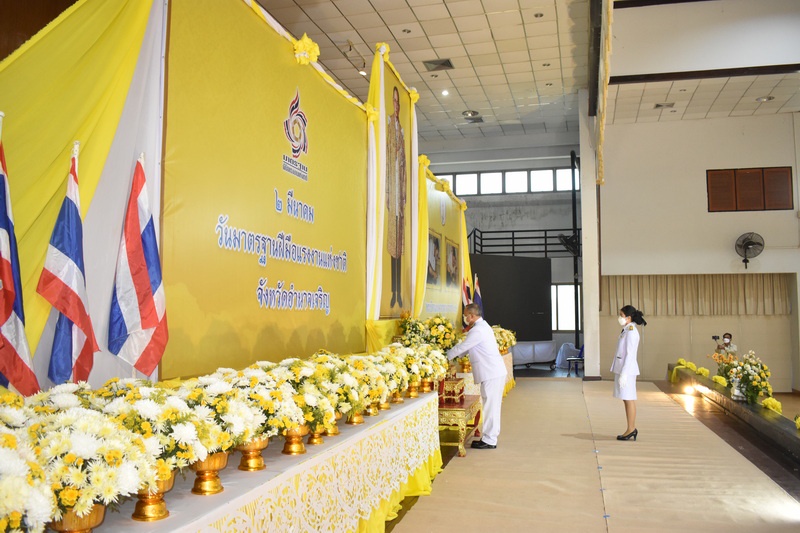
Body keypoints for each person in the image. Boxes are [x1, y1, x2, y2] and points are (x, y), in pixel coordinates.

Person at [446, 303, 507, 449]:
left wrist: (445, 356)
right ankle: (490, 437)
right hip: (493, 372)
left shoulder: (478, 330)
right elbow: (467, 349)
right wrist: (453, 355)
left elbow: (463, 347)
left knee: (491, 407)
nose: (465, 318)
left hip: (491, 373)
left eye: (466, 315)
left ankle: (489, 440)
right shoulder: (482, 327)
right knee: (491, 406)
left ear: (472, 316)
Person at [611, 304, 646, 441]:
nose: (619, 318)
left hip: (627, 370)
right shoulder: (626, 330)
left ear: (629, 317)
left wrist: (624, 374)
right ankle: (630, 428)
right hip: (623, 369)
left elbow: (630, 355)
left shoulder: (631, 331)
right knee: (626, 399)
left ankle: (631, 429)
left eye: (621, 315)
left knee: (629, 398)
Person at [386, 86, 406, 308]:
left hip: (400, 194)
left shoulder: (401, 129)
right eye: (394, 101)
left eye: (399, 102)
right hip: (392, 192)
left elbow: (405, 165)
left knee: (400, 247)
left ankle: (400, 292)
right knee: (393, 247)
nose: (397, 106)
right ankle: (393, 292)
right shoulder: (390, 125)